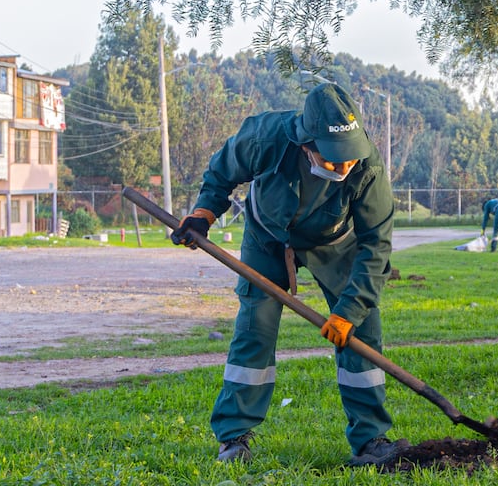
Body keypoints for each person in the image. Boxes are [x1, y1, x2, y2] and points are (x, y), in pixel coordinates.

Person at [170, 83, 407, 466]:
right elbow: (220, 172)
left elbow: (376, 246)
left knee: (363, 330)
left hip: (335, 242)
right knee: (254, 330)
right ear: (305, 143)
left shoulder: (367, 167)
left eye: (350, 160)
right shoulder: (264, 136)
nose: (344, 168)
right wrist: (204, 213)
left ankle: (370, 440)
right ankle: (234, 437)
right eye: (333, 161)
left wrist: (349, 310)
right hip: (268, 238)